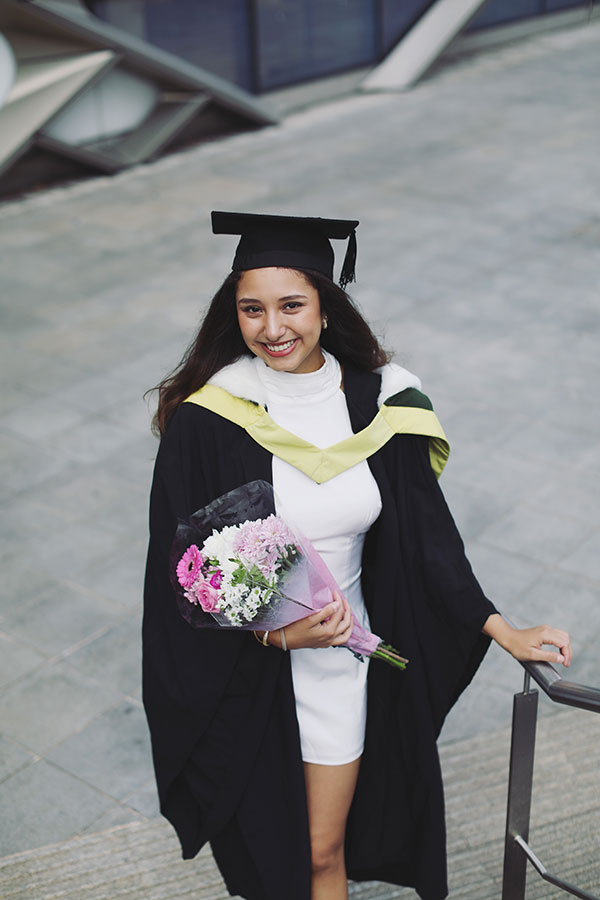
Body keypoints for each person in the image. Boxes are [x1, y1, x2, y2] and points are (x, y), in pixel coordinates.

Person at [143, 211, 572, 900]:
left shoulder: (381, 401)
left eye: (292, 305)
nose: (272, 328)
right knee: (273, 861)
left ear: (324, 304)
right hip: (251, 677)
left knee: (322, 851)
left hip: (345, 663)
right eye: (252, 309)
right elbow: (182, 571)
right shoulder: (210, 417)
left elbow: (429, 536)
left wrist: (502, 631)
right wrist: (275, 632)